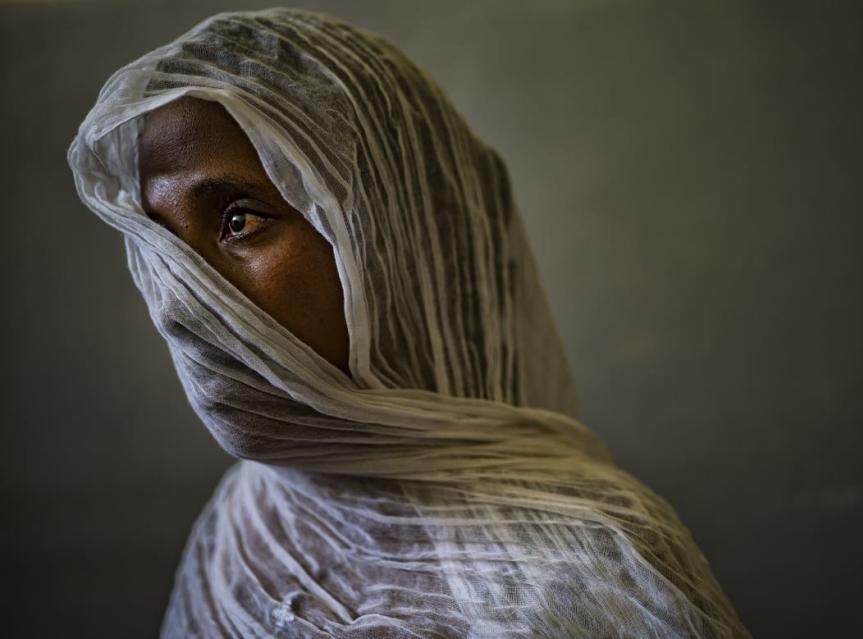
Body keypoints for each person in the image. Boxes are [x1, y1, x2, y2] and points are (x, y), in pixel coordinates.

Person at [68, 9, 749, 638]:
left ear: (395, 241)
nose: (179, 302)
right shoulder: (243, 525)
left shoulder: (594, 576)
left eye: (239, 219)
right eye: (162, 246)